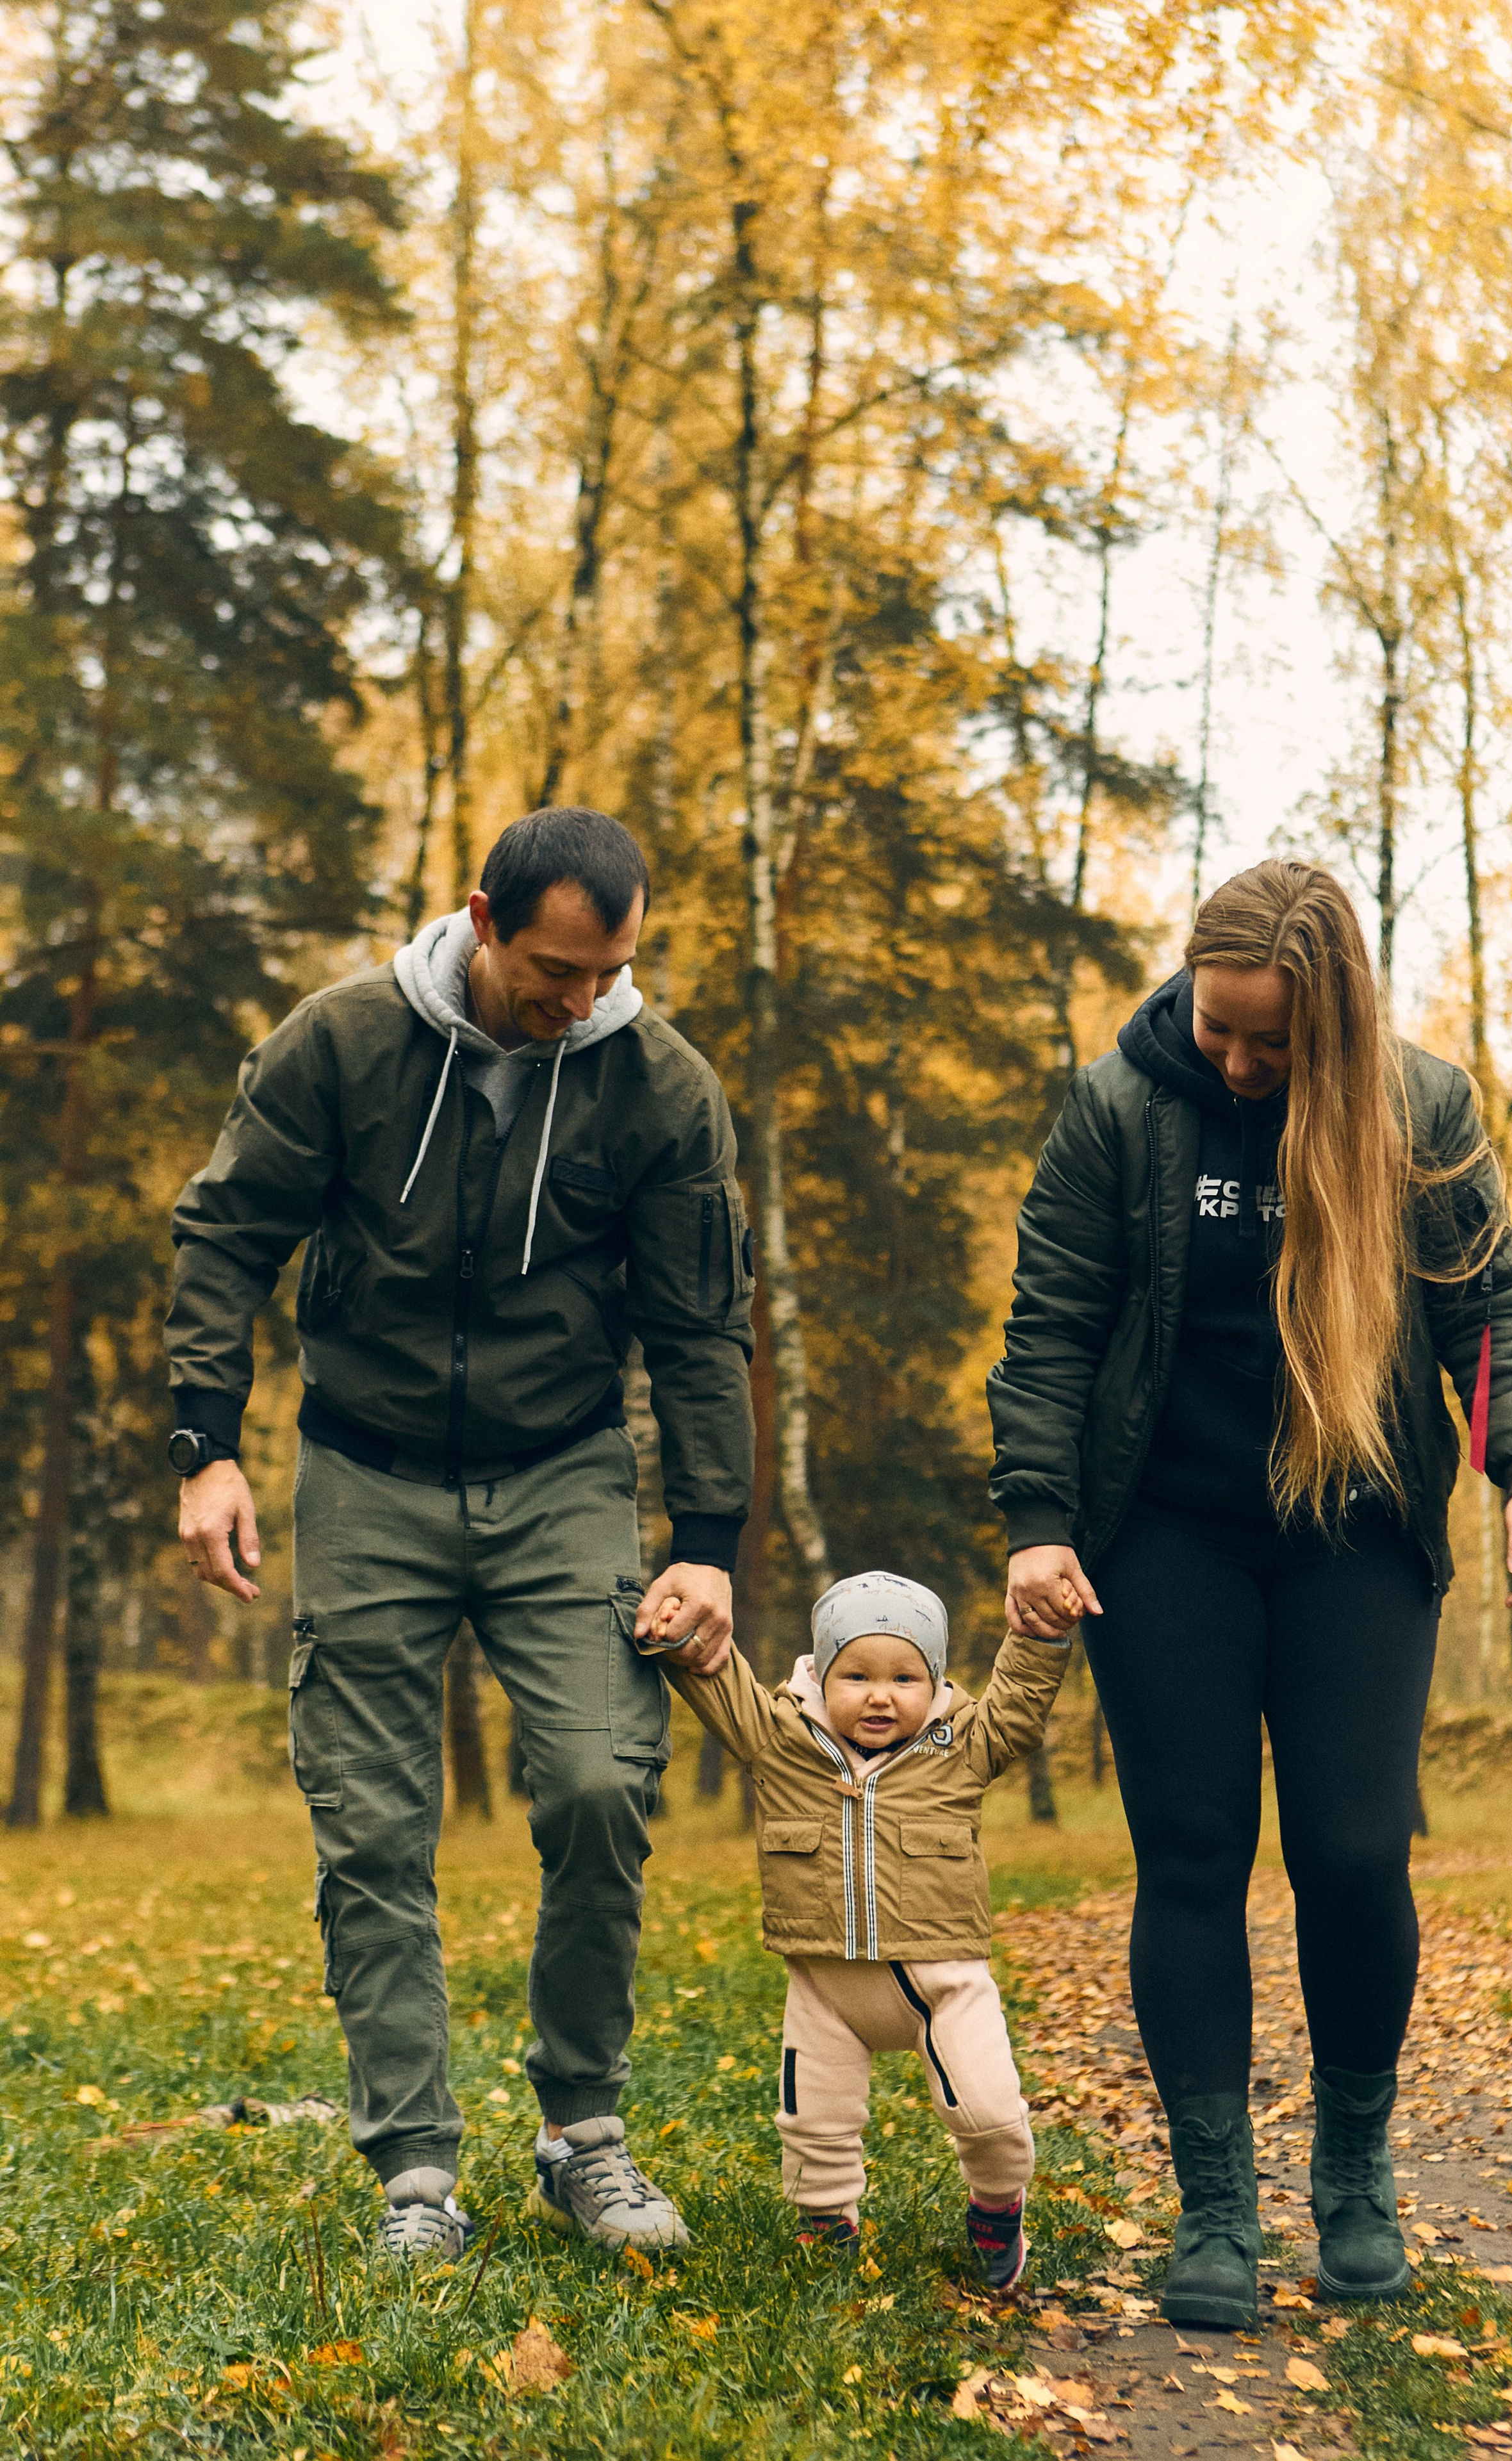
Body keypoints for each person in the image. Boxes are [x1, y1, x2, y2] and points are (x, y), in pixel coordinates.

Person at [986, 858, 1512, 2328]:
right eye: (1215, 1025)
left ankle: (1354, 2171)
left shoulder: (1412, 1110)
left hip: (1353, 1529)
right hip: (1167, 1533)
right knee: (1190, 1851)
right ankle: (1211, 2200)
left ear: (1334, 1028)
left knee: (1354, 1849)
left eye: (1271, 1042)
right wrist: (1038, 1523)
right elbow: (1050, 1321)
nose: (1236, 1059)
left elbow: (1486, 1303)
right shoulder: (1117, 1108)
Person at [165, 806, 755, 2260]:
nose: (579, 1003)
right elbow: (228, 1231)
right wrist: (207, 1445)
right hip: (364, 1469)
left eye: (606, 973)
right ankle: (415, 2171)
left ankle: (581, 2131)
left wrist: (709, 1537)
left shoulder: (657, 1084)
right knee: (370, 1820)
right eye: (556, 970)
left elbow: (697, 1322)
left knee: (596, 1782)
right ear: (483, 920)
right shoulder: (342, 1044)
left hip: (561, 1471)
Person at [636, 1568, 1073, 2290]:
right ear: (820, 1672)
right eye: (857, 1674)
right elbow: (719, 1679)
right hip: (825, 1986)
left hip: (946, 1984)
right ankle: (825, 2226)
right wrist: (681, 1635)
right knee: (813, 2124)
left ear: (933, 1682)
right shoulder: (780, 1736)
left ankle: (996, 2206)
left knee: (992, 2116)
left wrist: (1039, 1633)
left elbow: (1020, 1708)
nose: (880, 1694)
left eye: (905, 1676)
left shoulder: (962, 1742)